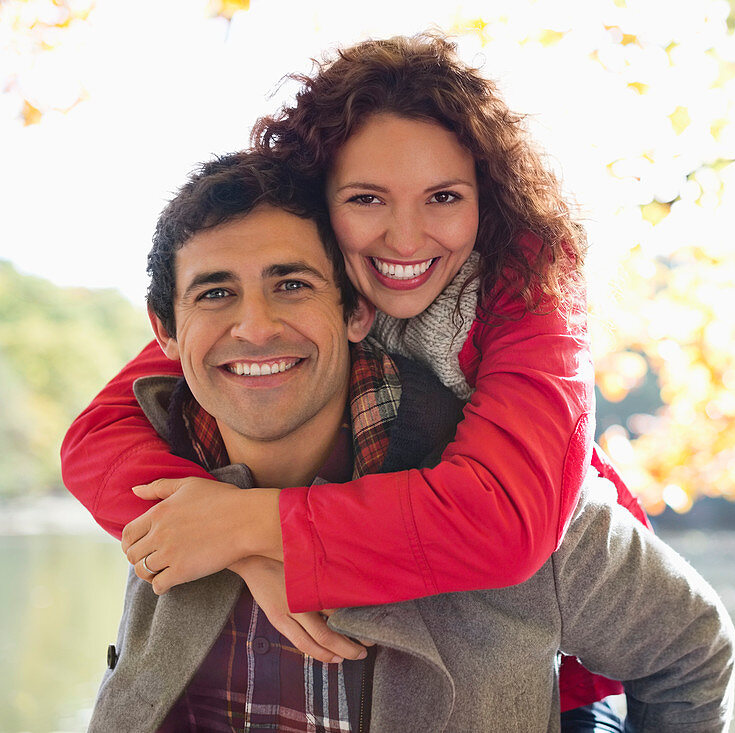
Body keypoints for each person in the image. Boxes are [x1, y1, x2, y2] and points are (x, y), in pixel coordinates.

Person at [62, 32, 647, 716]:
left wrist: (255, 524)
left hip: (569, 682)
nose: (405, 237)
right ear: (320, 198)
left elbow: (508, 522)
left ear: (485, 199)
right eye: (367, 199)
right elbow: (99, 433)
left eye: (444, 197)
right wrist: (238, 548)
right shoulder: (277, 288)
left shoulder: (530, 282)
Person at [88, 150, 735, 731]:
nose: (255, 327)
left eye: (291, 284)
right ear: (165, 332)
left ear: (356, 309)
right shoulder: (162, 458)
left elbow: (691, 650)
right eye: (215, 292)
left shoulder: (503, 489)